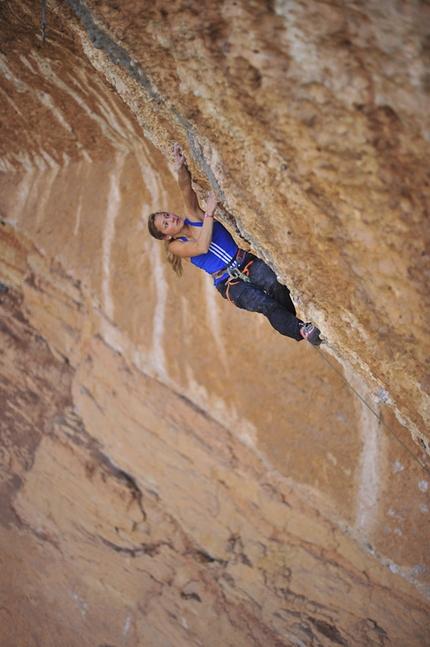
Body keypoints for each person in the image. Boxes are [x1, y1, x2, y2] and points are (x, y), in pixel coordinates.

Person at [147, 143, 322, 345]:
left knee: (276, 284)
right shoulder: (175, 246)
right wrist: (210, 214)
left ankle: (295, 325)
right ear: (166, 236)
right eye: (165, 224)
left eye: (167, 215)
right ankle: (301, 329)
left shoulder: (193, 215)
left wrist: (180, 167)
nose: (171, 219)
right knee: (263, 303)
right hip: (228, 283)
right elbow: (201, 247)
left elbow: (186, 189)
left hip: (245, 261)